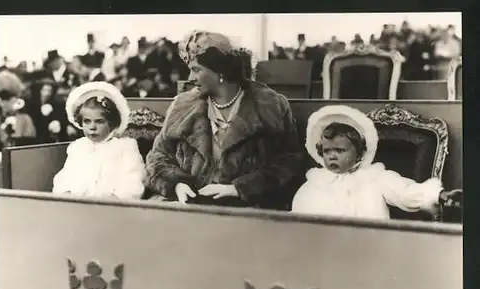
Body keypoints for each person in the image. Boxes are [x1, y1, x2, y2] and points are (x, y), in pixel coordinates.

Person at [144, 30, 305, 209]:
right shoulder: (183, 106)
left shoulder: (270, 105)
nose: (190, 78)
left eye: (196, 70)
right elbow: (157, 156)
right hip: (191, 207)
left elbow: (290, 162)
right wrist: (176, 185)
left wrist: (239, 189)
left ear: (219, 70)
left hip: (248, 210)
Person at [291, 105, 462, 220]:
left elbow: (405, 192)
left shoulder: (375, 177)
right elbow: (300, 210)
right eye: (327, 151)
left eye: (340, 151)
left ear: (359, 154)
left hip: (367, 243)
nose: (332, 156)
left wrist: (437, 195)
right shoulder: (316, 181)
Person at [52, 82, 145, 199]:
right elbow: (65, 178)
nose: (92, 127)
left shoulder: (125, 146)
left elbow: (133, 181)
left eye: (99, 121)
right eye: (87, 121)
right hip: (78, 205)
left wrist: (115, 198)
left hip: (111, 207)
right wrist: (66, 194)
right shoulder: (77, 147)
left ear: (111, 123)